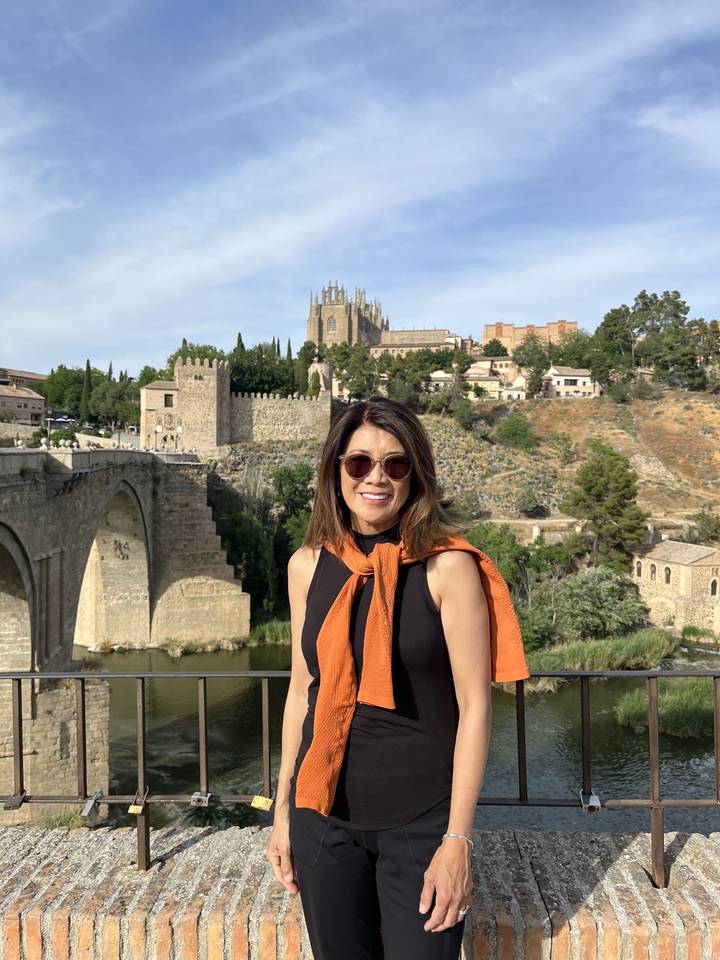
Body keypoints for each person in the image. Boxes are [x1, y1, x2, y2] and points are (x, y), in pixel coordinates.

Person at [265, 397, 529, 960]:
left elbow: (475, 709)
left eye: (395, 464)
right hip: (323, 820)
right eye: (359, 463)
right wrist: (283, 807)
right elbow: (300, 693)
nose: (376, 477)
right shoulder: (307, 565)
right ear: (336, 472)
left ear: (416, 475)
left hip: (420, 825)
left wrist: (458, 840)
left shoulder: (446, 566)